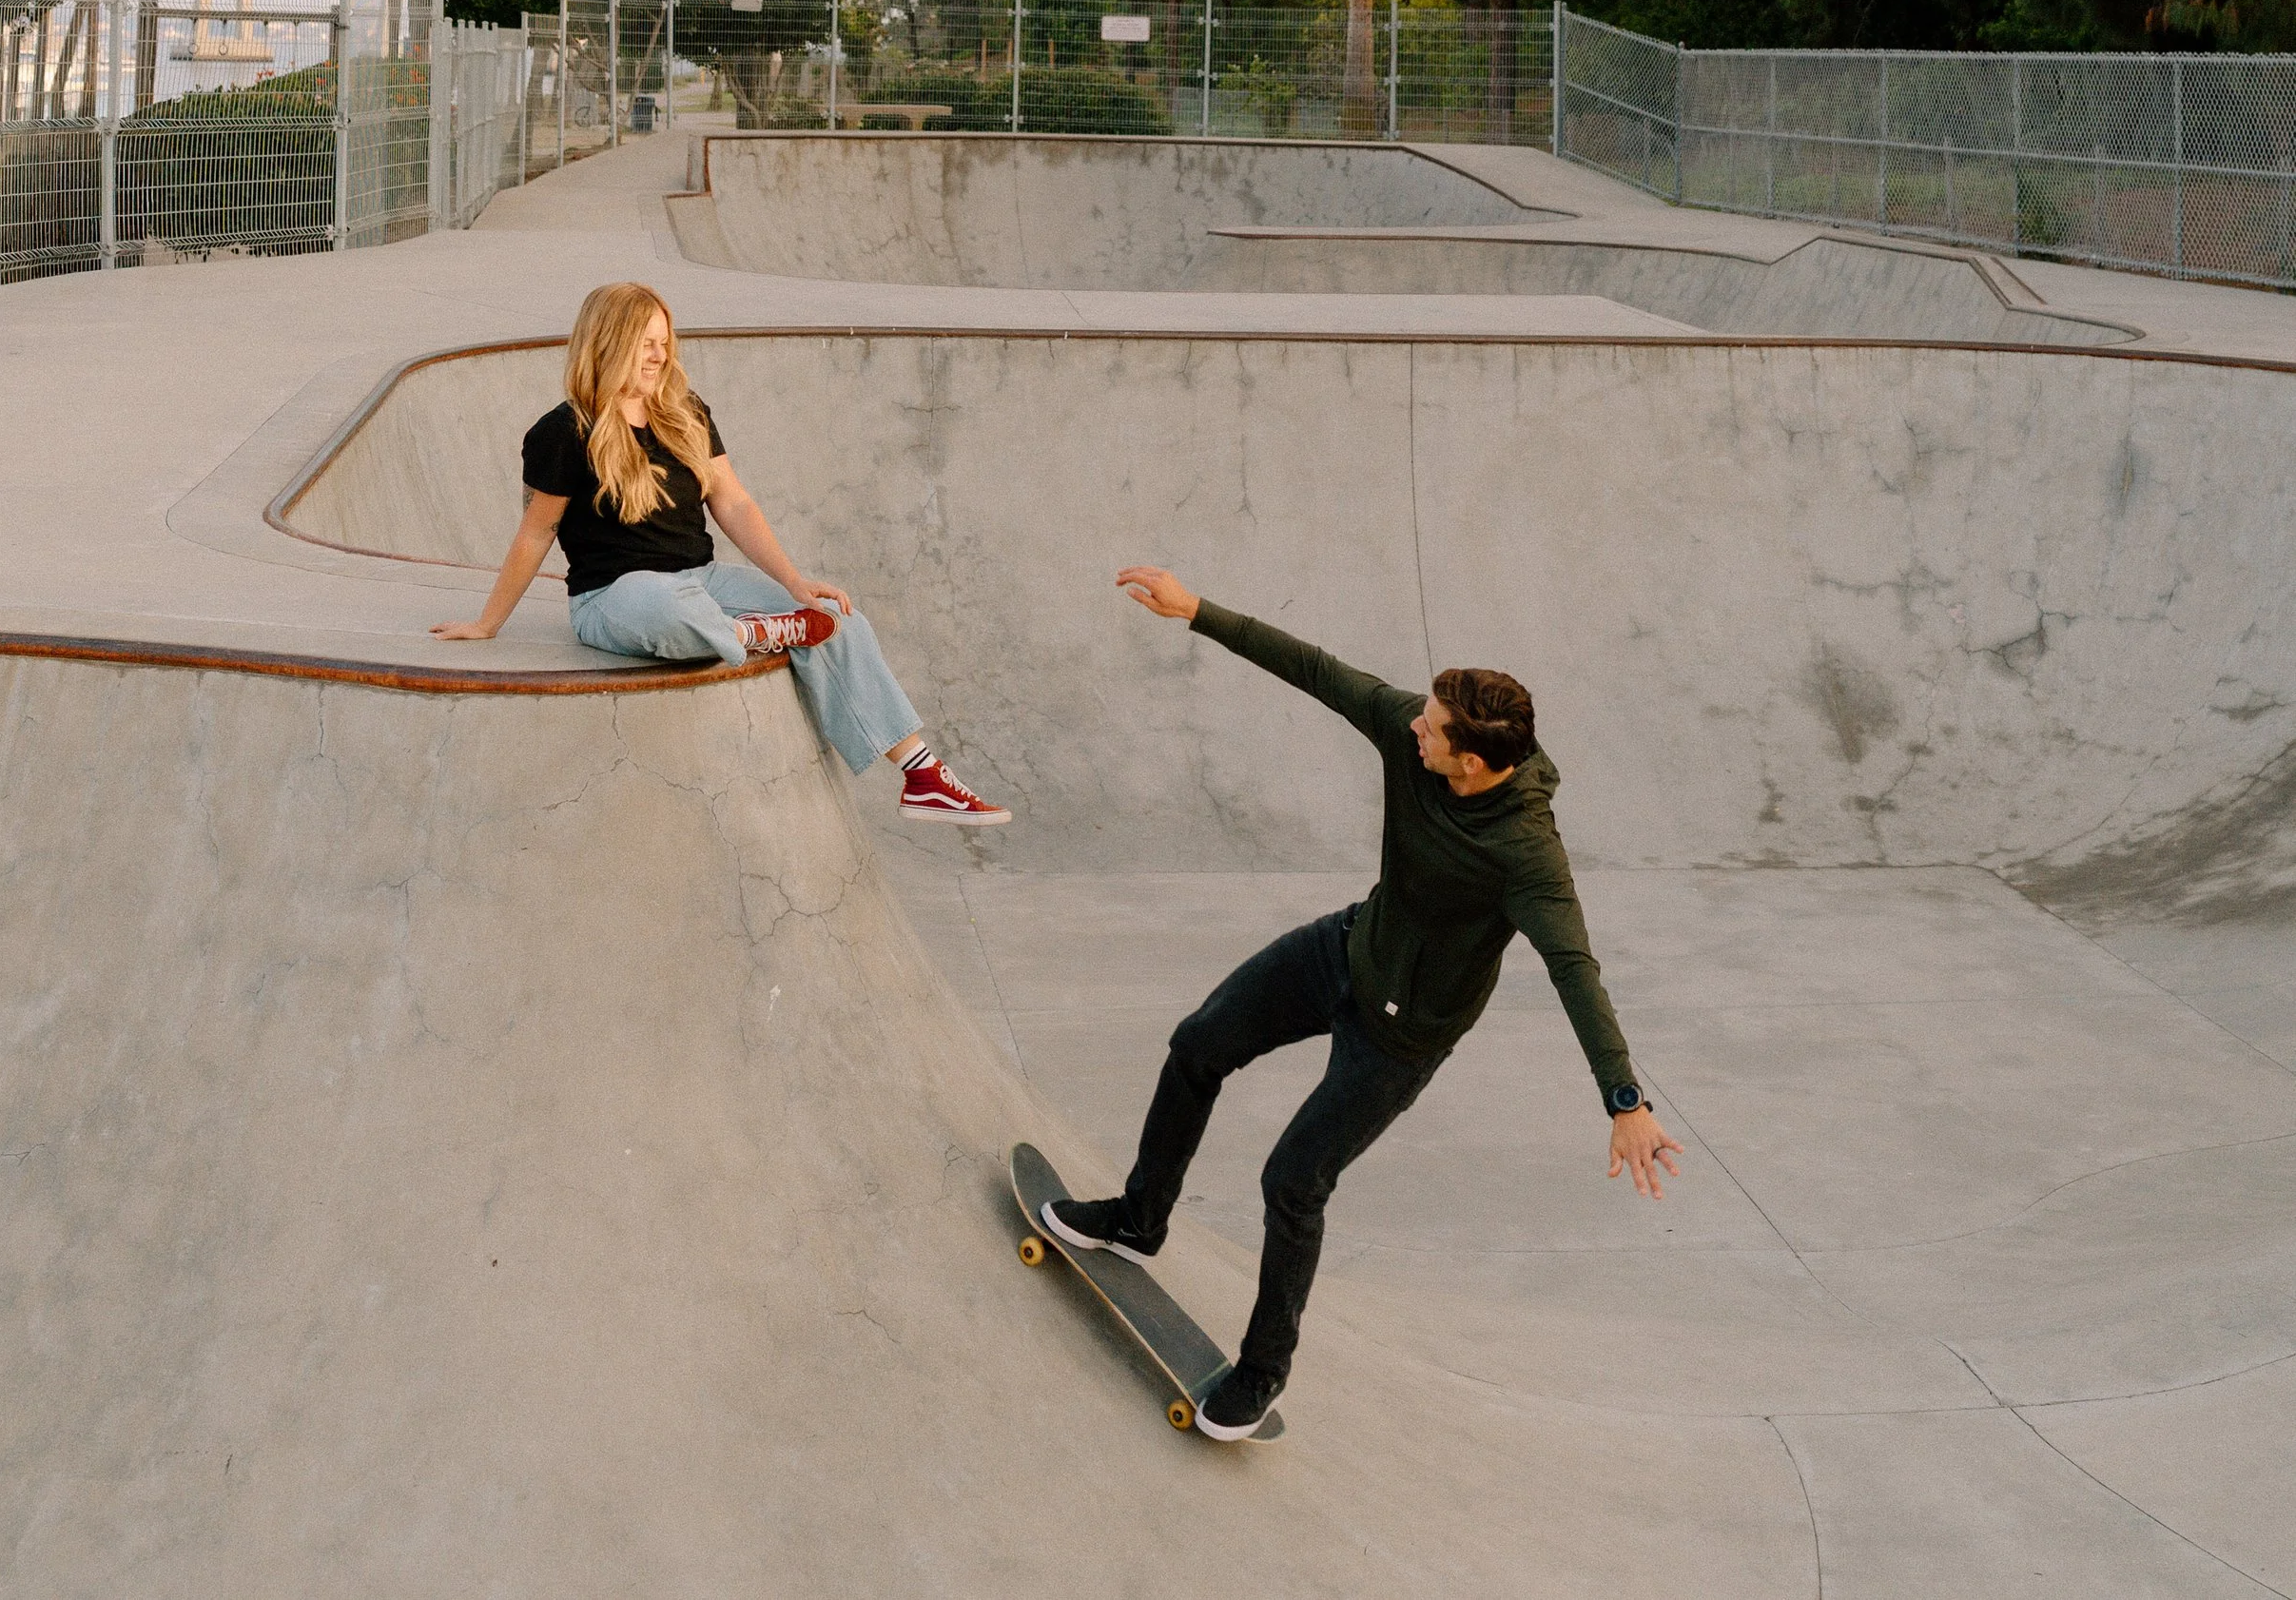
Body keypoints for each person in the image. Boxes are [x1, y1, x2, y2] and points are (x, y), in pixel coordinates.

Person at [1041, 568, 1680, 1441]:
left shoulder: (1528, 853)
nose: (1412, 724)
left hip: (1404, 1039)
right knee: (1198, 1043)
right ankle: (1138, 1217)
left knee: (1292, 1182)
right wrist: (1197, 611)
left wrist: (1625, 1098)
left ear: (1473, 760)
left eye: (1431, 728)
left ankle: (1262, 1373)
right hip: (1346, 950)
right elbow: (1318, 669)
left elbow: (1574, 967)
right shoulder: (1411, 729)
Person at [434, 280, 1008, 827]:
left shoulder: (687, 413)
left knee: (833, 620)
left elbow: (733, 504)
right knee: (664, 604)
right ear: (608, 343)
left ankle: (922, 775)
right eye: (645, 344)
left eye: (664, 343)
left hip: (703, 582)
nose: (659, 355)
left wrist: (796, 585)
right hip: (614, 596)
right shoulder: (563, 431)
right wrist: (488, 623)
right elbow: (535, 534)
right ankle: (758, 634)